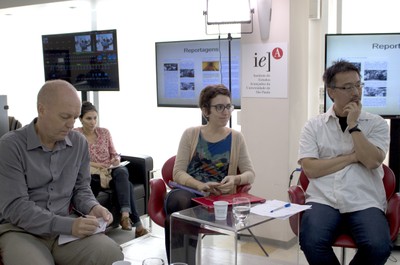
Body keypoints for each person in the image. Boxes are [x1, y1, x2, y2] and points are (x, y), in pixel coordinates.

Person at [0, 80, 124, 265]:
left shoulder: (79, 143)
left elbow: (81, 189)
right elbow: (16, 207)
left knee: (111, 253)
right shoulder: (10, 146)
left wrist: (93, 207)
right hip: (21, 230)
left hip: (65, 232)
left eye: (74, 117)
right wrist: (69, 225)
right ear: (41, 109)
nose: (70, 124)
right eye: (65, 116)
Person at [298, 60, 392, 265]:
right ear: (331, 92)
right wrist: (351, 157)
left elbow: (372, 161)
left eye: (358, 85)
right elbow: (311, 169)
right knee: (311, 241)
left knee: (379, 246)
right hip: (323, 199)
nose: (356, 92)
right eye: (347, 87)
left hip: (364, 199)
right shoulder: (314, 126)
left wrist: (353, 126)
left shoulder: (376, 123)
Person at [164, 84, 256, 262]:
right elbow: (178, 173)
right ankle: (182, 262)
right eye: (219, 107)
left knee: (177, 216)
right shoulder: (191, 134)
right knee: (180, 202)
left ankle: (181, 262)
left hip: (217, 200)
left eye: (228, 106)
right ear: (206, 110)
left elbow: (250, 173)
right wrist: (201, 185)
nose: (225, 112)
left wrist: (235, 179)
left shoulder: (236, 138)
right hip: (190, 192)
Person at [75, 101, 148, 238]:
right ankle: (137, 225)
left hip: (110, 170)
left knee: (122, 171)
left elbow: (114, 153)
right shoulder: (76, 135)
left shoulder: (104, 132)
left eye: (95, 118)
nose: (93, 122)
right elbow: (76, 159)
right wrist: (97, 165)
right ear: (80, 119)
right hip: (93, 172)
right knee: (128, 185)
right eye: (88, 118)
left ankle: (125, 215)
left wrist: (116, 160)